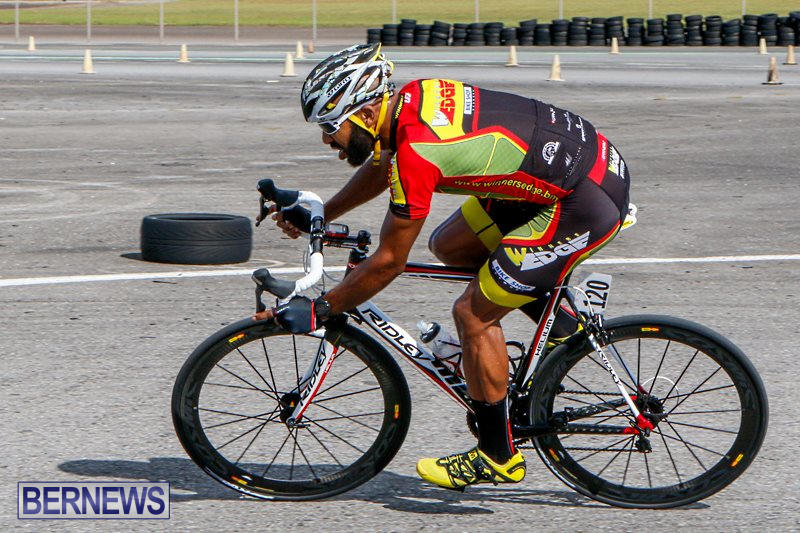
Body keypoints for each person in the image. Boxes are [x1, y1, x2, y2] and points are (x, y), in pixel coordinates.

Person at [255, 43, 631, 490]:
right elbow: (383, 165)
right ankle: (564, 328)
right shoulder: (410, 102)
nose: (326, 140)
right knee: (451, 245)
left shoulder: (418, 152)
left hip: (582, 202)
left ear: (367, 112)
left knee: (473, 314)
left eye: (331, 127)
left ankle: (498, 456)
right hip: (571, 170)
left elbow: (389, 262)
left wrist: (322, 310)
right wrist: (323, 213)